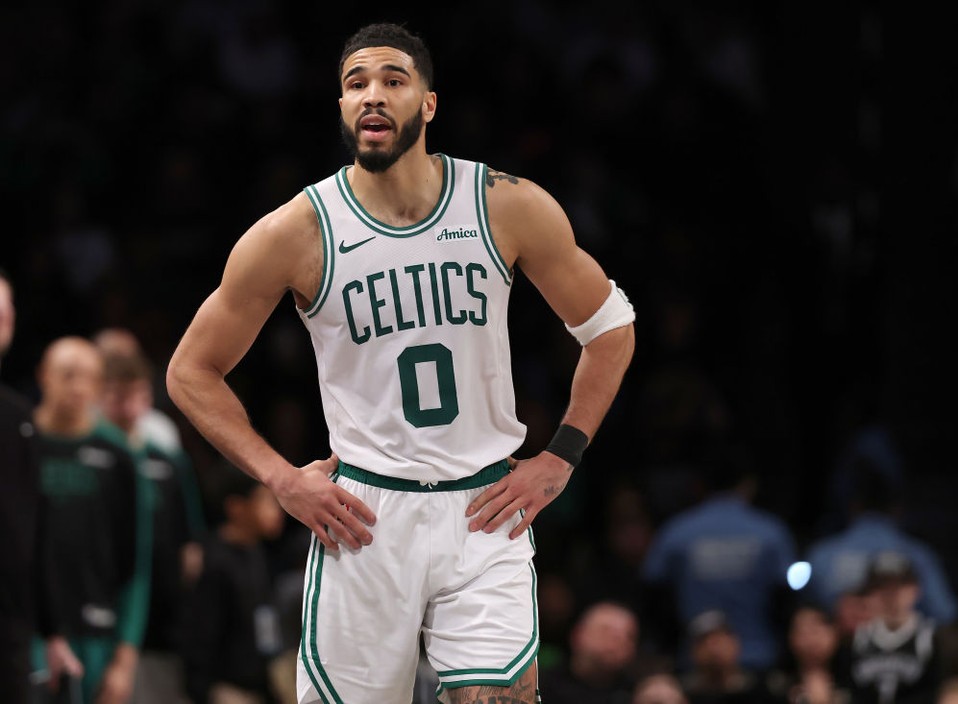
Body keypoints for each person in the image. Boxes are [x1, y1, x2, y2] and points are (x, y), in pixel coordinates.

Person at [166, 21, 636, 704]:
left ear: (429, 103)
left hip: (485, 509)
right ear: (341, 107)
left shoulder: (505, 205)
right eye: (356, 84)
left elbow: (611, 329)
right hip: (363, 516)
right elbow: (189, 371)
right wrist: (279, 477)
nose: (373, 96)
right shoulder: (296, 231)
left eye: (392, 80)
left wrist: (560, 456)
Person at [31, 336, 154, 704]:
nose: (80, 387)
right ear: (43, 376)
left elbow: (137, 562)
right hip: (27, 634)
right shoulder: (18, 443)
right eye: (68, 375)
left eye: (90, 378)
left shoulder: (119, 456)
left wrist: (126, 657)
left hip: (97, 636)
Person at [98, 349, 207, 703]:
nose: (130, 409)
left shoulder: (165, 461)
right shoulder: (87, 456)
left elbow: (189, 544)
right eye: (118, 397)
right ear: (100, 395)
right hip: (98, 621)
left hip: (160, 628)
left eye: (138, 396)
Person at [640, 441, 797, 672]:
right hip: (758, 661)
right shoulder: (771, 532)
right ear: (749, 484)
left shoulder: (676, 532)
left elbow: (652, 596)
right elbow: (788, 597)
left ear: (699, 486)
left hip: (695, 663)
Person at [803, 460, 958, 627]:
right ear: (897, 509)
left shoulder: (820, 554)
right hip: (892, 648)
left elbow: (805, 614)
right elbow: (944, 614)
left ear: (853, 507)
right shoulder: (918, 555)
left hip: (854, 648)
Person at [182, 463, 286, 704]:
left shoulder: (258, 553)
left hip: (261, 684)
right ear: (236, 507)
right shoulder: (214, 561)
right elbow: (200, 635)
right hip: (227, 689)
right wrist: (205, 690)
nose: (276, 510)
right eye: (264, 500)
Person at [0, 269, 47, 703]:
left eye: (7, 308)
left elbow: (33, 531)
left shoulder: (18, 418)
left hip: (13, 628)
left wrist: (52, 631)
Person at [845, 551, 943, 704]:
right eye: (882, 587)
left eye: (898, 586)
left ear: (915, 590)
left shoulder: (933, 638)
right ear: (870, 594)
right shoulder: (856, 638)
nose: (890, 595)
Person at [537, 599, 641, 703]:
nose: (619, 641)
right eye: (606, 631)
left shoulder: (637, 694)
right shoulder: (538, 687)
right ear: (577, 634)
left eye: (629, 636)